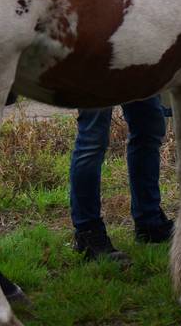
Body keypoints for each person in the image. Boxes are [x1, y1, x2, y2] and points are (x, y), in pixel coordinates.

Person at [69, 96, 175, 261]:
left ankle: (149, 223)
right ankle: (88, 233)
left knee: (149, 127)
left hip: (139, 71)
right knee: (93, 138)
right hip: (95, 72)